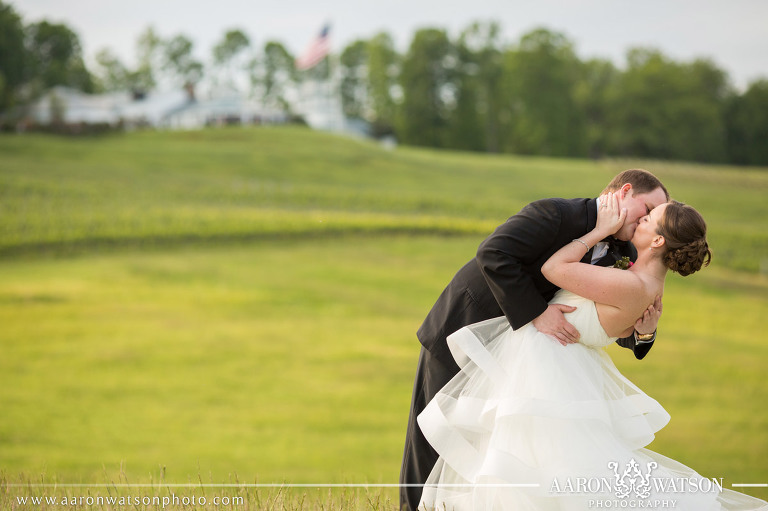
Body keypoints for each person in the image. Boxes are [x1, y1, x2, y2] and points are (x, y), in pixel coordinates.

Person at [416, 197, 768, 510]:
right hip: (554, 367)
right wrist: (641, 329)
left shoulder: (632, 283)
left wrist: (597, 231)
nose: (641, 220)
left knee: (533, 473)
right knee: (531, 470)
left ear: (658, 240)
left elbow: (553, 269)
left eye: (649, 219)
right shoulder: (642, 280)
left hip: (546, 370)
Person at [399, 169, 669, 511]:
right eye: (645, 211)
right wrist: (537, 313)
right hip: (463, 332)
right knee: (434, 439)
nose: (645, 221)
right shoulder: (556, 214)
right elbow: (493, 254)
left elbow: (611, 317)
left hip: (519, 361)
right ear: (624, 192)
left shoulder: (626, 251)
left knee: (488, 454)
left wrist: (644, 331)